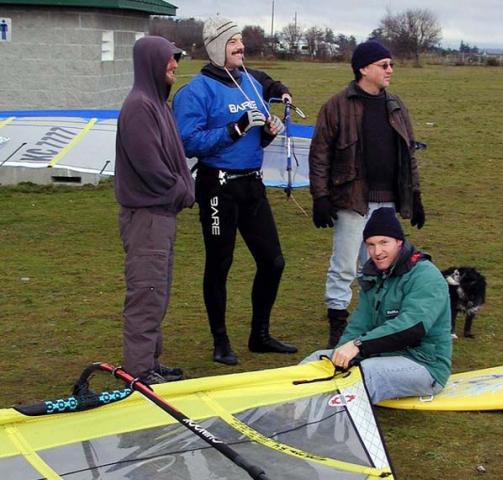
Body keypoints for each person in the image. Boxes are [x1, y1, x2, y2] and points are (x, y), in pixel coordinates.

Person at [172, 16, 297, 365]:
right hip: (217, 188)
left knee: (273, 261)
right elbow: (187, 143)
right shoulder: (195, 92)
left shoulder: (250, 84)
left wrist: (269, 129)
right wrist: (235, 128)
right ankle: (220, 341)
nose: (240, 47)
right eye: (232, 42)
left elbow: (258, 133)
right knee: (220, 263)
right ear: (215, 48)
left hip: (252, 185)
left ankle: (259, 335)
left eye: (240, 40)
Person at [308, 40, 426, 349]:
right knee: (345, 264)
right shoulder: (336, 105)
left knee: (380, 263)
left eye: (391, 65)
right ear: (363, 69)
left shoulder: (396, 105)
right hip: (352, 198)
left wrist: (414, 194)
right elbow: (319, 154)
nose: (390, 70)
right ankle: (337, 322)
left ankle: (376, 321)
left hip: (387, 200)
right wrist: (320, 197)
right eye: (383, 65)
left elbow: (408, 153)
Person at [303, 207, 452, 404]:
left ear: (399, 242)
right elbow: (359, 324)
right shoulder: (374, 276)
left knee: (366, 374)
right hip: (382, 355)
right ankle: (281, 410)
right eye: (371, 245)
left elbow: (412, 327)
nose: (377, 252)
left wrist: (359, 346)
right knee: (318, 360)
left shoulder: (426, 276)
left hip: (424, 364)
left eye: (384, 243)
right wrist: (339, 355)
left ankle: (321, 420)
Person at [114, 36, 195, 384]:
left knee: (157, 292)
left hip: (160, 216)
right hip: (147, 217)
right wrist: (181, 190)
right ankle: (139, 372)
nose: (174, 65)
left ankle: (150, 361)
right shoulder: (139, 108)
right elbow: (151, 166)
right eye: (169, 60)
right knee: (146, 294)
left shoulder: (158, 105)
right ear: (151, 62)